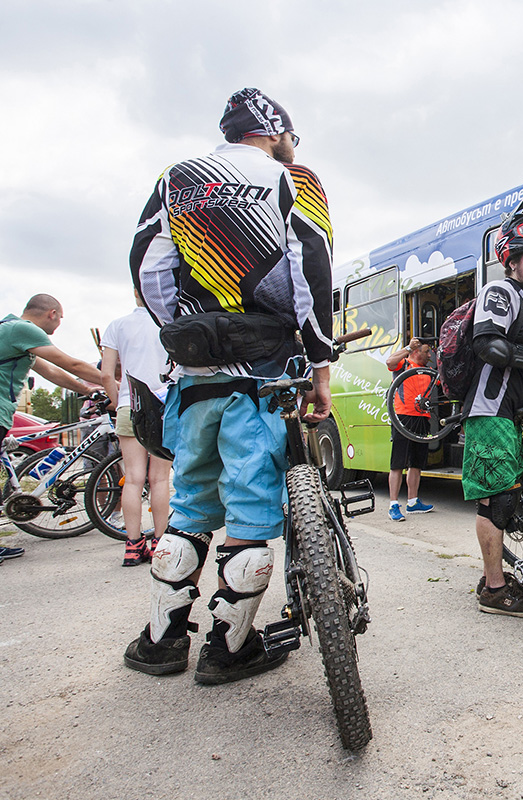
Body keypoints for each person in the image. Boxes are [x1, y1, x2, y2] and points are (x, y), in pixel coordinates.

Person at [124, 88, 334, 684]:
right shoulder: (292, 179)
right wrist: (319, 364)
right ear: (276, 131)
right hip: (262, 374)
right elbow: (311, 274)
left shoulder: (177, 176)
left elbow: (147, 267)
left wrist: (185, 333)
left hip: (195, 378)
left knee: (189, 506)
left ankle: (162, 643)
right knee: (249, 512)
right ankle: (227, 648)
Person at [463, 193, 523, 618]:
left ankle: (496, 576)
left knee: (508, 495)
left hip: (509, 412)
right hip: (489, 410)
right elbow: (486, 343)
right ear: (512, 260)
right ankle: (494, 590)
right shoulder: (500, 291)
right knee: (495, 501)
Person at [0, 294, 106, 562]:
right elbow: (69, 364)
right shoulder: (23, 329)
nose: (58, 324)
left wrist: (87, 390)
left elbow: (51, 372)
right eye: (60, 318)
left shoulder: (13, 333)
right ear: (52, 313)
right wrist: (117, 379)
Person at [100, 295, 172, 566]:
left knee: (133, 478)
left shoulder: (117, 325)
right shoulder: (167, 322)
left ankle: (132, 546)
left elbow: (107, 375)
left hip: (130, 404)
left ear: (133, 292)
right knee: (160, 479)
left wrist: (120, 402)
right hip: (162, 406)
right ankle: (160, 542)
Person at [385, 337, 436, 520]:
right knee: (398, 462)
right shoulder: (403, 365)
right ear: (416, 352)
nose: (429, 355)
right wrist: (408, 347)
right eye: (426, 351)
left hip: (422, 417)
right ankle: (393, 505)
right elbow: (389, 362)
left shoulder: (429, 371)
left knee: (416, 463)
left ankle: (413, 502)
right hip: (402, 416)